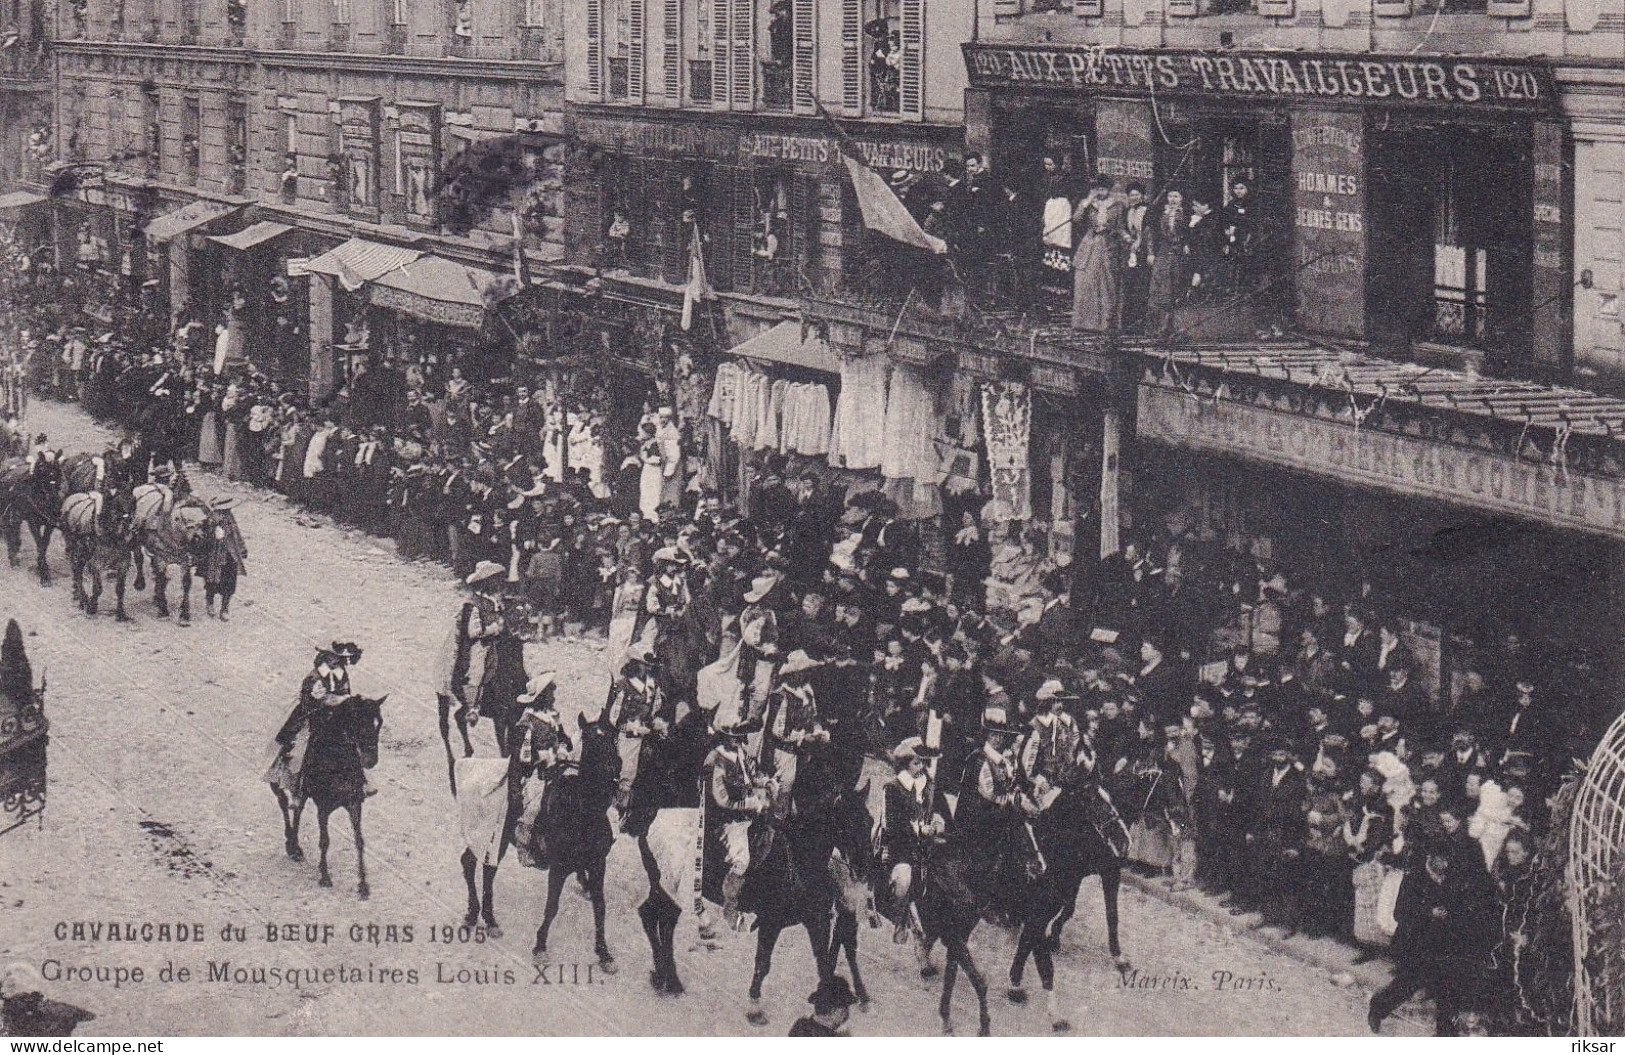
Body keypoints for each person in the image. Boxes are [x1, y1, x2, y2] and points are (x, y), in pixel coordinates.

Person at [881, 736, 946, 942]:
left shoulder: (928, 783)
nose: (921, 767)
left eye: (923, 762)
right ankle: (900, 923)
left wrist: (937, 820)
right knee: (904, 879)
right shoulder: (893, 788)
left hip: (927, 845)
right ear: (905, 764)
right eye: (916, 762)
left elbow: (936, 808)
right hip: (902, 846)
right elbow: (894, 825)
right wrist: (919, 831)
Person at [710, 716, 773, 929]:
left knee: (769, 839)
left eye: (740, 734)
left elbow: (753, 775)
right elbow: (722, 800)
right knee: (741, 860)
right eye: (734, 735)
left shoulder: (742, 754)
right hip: (727, 821)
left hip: (748, 815)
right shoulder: (718, 760)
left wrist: (766, 782)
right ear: (725, 735)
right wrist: (750, 803)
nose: (738, 739)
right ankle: (730, 909)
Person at [1070, 175, 1128, 332]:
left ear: (1109, 190)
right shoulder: (1089, 204)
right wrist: (1087, 201)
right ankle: (1085, 323)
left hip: (1108, 245)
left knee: (1105, 283)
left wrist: (1121, 235)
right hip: (1089, 244)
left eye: (1103, 189)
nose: (1100, 192)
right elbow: (1076, 219)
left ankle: (1105, 323)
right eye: (1097, 189)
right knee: (1085, 280)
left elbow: (1121, 226)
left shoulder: (1117, 205)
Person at [788, 975, 858, 1036]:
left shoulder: (803, 1028)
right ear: (835, 1010)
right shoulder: (806, 1032)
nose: (846, 1013)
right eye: (844, 1007)